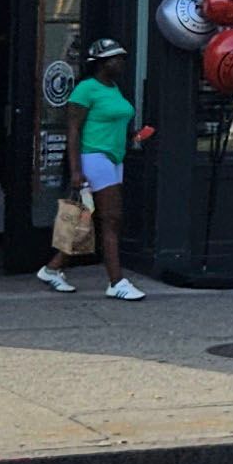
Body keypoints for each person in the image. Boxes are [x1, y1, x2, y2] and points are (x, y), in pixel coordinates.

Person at [41, 39, 146, 299]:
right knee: (111, 218)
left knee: (85, 217)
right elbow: (73, 131)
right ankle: (116, 281)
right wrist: (76, 170)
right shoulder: (86, 89)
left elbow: (112, 123)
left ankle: (52, 268)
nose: (120, 62)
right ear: (100, 63)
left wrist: (135, 136)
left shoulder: (114, 89)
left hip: (114, 157)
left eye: (121, 57)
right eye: (115, 58)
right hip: (94, 157)